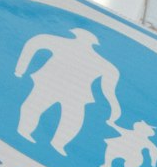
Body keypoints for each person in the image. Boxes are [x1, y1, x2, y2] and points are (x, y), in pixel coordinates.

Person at [14, 28, 122, 156]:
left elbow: (33, 44)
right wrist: (20, 68)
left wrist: (115, 108)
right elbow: (33, 44)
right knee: (35, 108)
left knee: (69, 119)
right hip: (55, 86)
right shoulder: (100, 62)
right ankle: (29, 133)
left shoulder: (101, 63)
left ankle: (55, 143)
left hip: (71, 92)